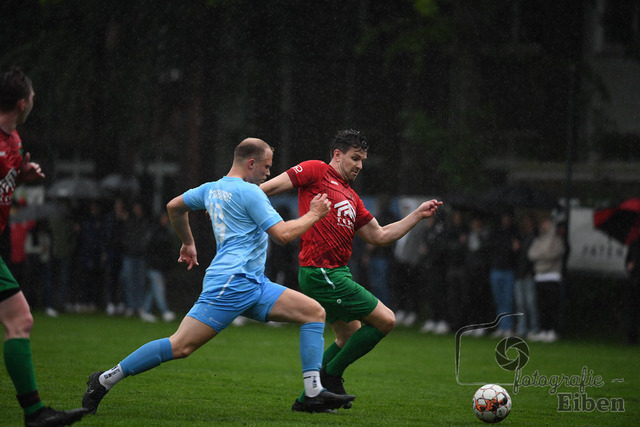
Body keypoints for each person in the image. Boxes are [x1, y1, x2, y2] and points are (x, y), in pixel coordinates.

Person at [81, 138, 354, 416]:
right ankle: (104, 379)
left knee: (313, 313)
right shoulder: (250, 193)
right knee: (181, 346)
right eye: (267, 166)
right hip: (230, 284)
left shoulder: (212, 188)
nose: (269, 173)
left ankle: (312, 392)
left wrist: (187, 242)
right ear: (251, 163)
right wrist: (314, 214)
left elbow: (174, 206)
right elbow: (283, 235)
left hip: (254, 284)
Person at [260, 129, 442, 409]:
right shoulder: (316, 170)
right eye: (355, 158)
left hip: (337, 273)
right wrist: (231, 203)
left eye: (362, 160)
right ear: (337, 154)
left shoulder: (352, 196)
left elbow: (379, 235)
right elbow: (267, 188)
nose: (359, 165)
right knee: (386, 321)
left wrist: (417, 214)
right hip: (321, 272)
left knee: (348, 335)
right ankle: (330, 377)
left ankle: (308, 398)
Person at [0, 67, 88, 425]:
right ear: (23, 103)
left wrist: (21, 176)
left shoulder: (14, 142)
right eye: (33, 96)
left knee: (20, 319)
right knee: (19, 319)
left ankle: (35, 413)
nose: (35, 100)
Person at [527, 215, 566, 343]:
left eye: (545, 223)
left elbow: (553, 254)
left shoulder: (556, 240)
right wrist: (543, 254)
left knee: (551, 305)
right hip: (539, 277)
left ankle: (552, 331)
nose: (542, 225)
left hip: (552, 276)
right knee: (541, 306)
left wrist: (541, 255)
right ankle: (544, 330)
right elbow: (531, 254)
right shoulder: (538, 240)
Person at [486, 211, 519, 337]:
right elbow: (491, 249)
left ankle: (508, 326)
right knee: (498, 300)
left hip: (508, 270)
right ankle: (501, 326)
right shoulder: (496, 232)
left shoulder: (514, 233)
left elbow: (515, 252)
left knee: (508, 300)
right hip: (496, 269)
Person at [140, 212, 176, 322]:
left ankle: (145, 311)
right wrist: (155, 262)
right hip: (154, 265)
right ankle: (165, 311)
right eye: (164, 218)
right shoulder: (155, 232)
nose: (166, 220)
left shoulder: (165, 232)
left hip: (160, 266)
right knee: (159, 288)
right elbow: (151, 249)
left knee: (154, 288)